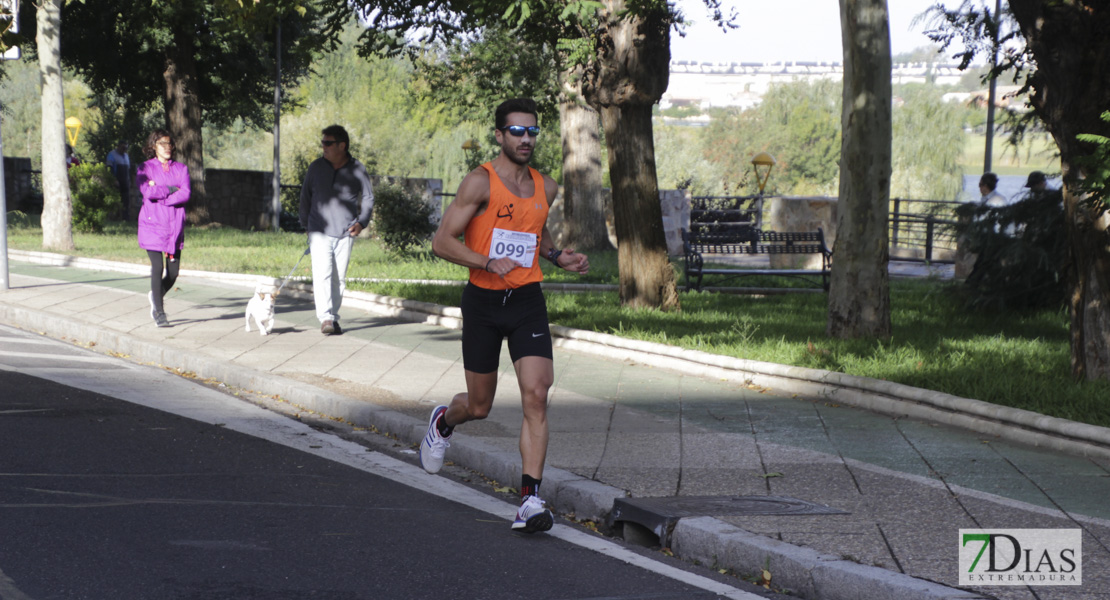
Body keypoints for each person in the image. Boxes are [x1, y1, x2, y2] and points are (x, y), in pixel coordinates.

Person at [421, 98, 590, 534]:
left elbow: (536, 228)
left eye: (532, 131)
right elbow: (442, 241)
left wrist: (555, 256)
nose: (526, 139)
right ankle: (444, 421)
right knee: (479, 406)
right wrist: (482, 261)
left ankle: (530, 500)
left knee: (536, 394)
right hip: (482, 301)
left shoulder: (546, 186)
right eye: (516, 131)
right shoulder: (479, 182)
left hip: (526, 299)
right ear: (499, 135)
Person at [298, 125, 374, 335]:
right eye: (322, 142)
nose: (324, 147)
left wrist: (362, 222)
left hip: (345, 231)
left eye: (328, 143)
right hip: (319, 230)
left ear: (342, 145)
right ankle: (326, 318)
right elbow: (305, 197)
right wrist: (306, 226)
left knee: (338, 277)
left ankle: (333, 315)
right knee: (322, 274)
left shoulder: (357, 169)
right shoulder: (315, 167)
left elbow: (368, 197)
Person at [136, 129, 190, 328]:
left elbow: (185, 193)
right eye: (162, 144)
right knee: (157, 267)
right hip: (152, 224)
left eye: (169, 144)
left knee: (173, 273)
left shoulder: (181, 169)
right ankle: (159, 312)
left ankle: (155, 295)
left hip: (174, 226)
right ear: (153, 146)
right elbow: (147, 192)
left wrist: (164, 199)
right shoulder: (145, 168)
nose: (167, 147)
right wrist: (169, 189)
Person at [107, 141, 132, 219]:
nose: (124, 149)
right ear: (118, 146)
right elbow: (109, 168)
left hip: (125, 181)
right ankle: (114, 217)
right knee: (116, 200)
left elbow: (128, 169)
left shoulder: (126, 156)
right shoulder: (112, 155)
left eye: (126, 148)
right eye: (122, 147)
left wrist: (129, 180)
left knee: (126, 201)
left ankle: (125, 217)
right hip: (117, 180)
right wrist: (113, 179)